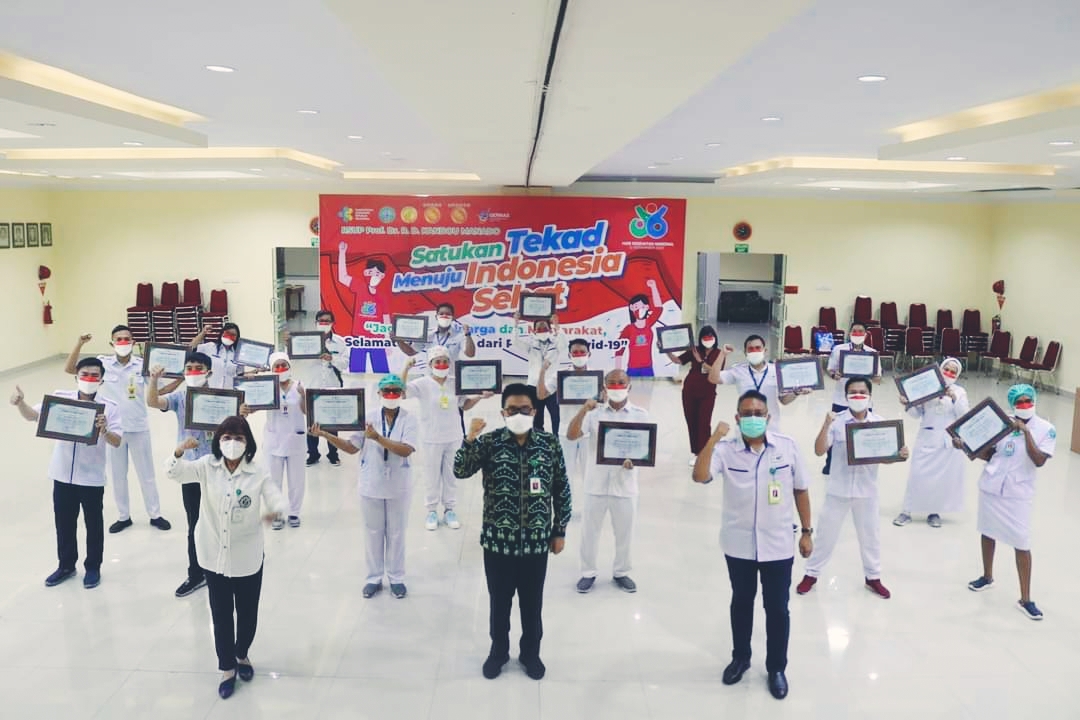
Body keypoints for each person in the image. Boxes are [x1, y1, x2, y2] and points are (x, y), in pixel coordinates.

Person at [692, 389, 813, 701]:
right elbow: (700, 476)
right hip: (739, 545)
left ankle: (776, 668)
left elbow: (801, 489)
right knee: (742, 603)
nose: (753, 418)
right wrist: (712, 438)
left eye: (759, 413)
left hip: (778, 544)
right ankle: (741, 658)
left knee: (778, 608)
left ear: (768, 417)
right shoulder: (725, 449)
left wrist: (807, 532)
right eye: (747, 414)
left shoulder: (787, 447)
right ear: (737, 418)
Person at [453, 383, 572, 681]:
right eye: (512, 409)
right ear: (503, 412)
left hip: (536, 544)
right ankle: (499, 652)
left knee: (532, 604)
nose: (519, 414)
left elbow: (561, 488)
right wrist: (469, 439)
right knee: (499, 603)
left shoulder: (549, 444)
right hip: (498, 544)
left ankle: (531, 653)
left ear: (534, 411)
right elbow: (460, 470)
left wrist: (559, 530)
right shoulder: (490, 442)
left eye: (525, 409)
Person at [165, 415, 286, 699]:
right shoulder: (207, 466)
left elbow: (275, 497)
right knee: (220, 615)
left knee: (247, 613)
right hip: (213, 555)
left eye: (239, 438)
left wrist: (276, 511)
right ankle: (227, 667)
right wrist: (178, 452)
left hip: (247, 557)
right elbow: (175, 473)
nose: (232, 443)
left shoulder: (258, 472)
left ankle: (242, 653)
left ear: (248, 443)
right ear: (218, 441)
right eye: (227, 438)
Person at [11, 357, 123, 589]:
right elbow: (33, 416)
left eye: (94, 375)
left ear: (102, 380)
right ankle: (66, 565)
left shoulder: (110, 408)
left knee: (93, 524)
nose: (89, 379)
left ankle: (93, 567)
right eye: (84, 375)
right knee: (64, 523)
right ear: (76, 377)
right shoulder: (61, 399)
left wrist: (104, 430)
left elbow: (117, 442)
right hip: (62, 475)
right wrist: (21, 403)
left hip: (91, 478)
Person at [796, 377, 907, 599]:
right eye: (853, 392)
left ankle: (873, 577)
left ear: (870, 396)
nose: (858, 396)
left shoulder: (879, 423)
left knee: (870, 536)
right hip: (838, 490)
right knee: (826, 534)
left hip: (867, 491)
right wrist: (825, 425)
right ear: (846, 397)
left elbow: (885, 457)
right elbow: (819, 450)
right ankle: (811, 574)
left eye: (862, 392)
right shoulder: (837, 422)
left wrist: (899, 455)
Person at [311, 374, 417, 599]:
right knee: (372, 533)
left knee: (397, 533)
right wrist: (325, 434)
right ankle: (373, 578)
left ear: (402, 393)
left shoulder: (409, 419)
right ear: (379, 393)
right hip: (372, 483)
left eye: (395, 391)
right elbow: (351, 447)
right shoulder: (367, 417)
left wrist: (377, 438)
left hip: (398, 485)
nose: (391, 395)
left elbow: (406, 450)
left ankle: (396, 578)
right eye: (387, 391)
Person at [64, 328, 171, 533]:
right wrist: (79, 343)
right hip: (112, 430)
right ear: (112, 343)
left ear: (133, 342)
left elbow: (161, 390)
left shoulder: (143, 365)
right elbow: (70, 369)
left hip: (138, 428)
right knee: (117, 475)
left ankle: (155, 514)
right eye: (118, 339)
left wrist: (180, 377)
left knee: (146, 474)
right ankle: (124, 516)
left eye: (126, 339)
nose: (123, 342)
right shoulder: (102, 364)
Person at [963, 384, 1054, 621]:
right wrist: (965, 446)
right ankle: (987, 576)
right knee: (987, 531)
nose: (1024, 405)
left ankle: (1026, 599)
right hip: (992, 486)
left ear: (1034, 401)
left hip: (1018, 493)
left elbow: (1039, 460)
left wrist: (1026, 432)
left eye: (1027, 400)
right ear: (1012, 404)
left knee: (1021, 542)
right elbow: (989, 454)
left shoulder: (1046, 429)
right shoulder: (1000, 422)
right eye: (1019, 402)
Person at [567, 369, 649, 594]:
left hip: (625, 484)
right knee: (589, 532)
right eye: (611, 383)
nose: (616, 387)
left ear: (629, 386)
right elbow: (572, 435)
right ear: (604, 387)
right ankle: (588, 572)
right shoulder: (593, 414)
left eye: (621, 382)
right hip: (596, 483)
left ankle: (621, 571)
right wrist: (583, 410)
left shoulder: (641, 415)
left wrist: (636, 461)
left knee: (625, 532)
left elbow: (645, 448)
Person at [147, 351, 217, 598]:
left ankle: (226, 563)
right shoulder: (180, 397)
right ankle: (196, 574)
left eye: (199, 368)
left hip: (217, 468)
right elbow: (153, 402)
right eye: (189, 368)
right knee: (195, 522)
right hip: (190, 469)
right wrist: (154, 380)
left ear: (209, 372)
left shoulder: (223, 398)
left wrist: (241, 412)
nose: (193, 372)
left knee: (223, 519)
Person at [402, 346, 488, 531]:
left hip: (453, 436)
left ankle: (449, 509)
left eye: (445, 361)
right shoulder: (422, 383)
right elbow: (402, 393)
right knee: (431, 476)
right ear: (430, 364)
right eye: (437, 361)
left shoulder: (456, 382)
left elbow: (464, 405)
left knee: (451, 475)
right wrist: (406, 369)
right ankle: (431, 511)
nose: (441, 365)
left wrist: (480, 397)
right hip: (431, 437)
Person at [893, 358, 969, 528]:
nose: (948, 373)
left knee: (940, 480)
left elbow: (964, 415)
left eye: (953, 372)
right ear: (939, 370)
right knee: (917, 475)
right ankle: (906, 511)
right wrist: (908, 404)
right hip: (927, 438)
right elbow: (916, 414)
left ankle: (934, 512)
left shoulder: (960, 392)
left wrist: (954, 398)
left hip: (946, 443)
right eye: (946, 369)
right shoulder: (928, 387)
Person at [245, 353, 307, 529]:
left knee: (297, 480)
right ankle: (277, 513)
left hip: (295, 440)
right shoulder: (267, 387)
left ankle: (294, 512)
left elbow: (306, 411)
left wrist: (303, 396)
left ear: (289, 367)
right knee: (273, 481)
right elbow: (253, 408)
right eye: (276, 366)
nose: (281, 369)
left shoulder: (299, 386)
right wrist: (250, 390)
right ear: (272, 369)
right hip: (274, 440)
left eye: (284, 365)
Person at [711, 334, 810, 435]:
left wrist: (796, 392)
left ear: (764, 351)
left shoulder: (776, 371)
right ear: (745, 353)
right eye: (750, 349)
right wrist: (722, 354)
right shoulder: (738, 371)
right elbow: (713, 378)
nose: (754, 351)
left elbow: (784, 400)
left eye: (758, 348)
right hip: (746, 428)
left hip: (771, 428)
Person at [822, 323, 881, 474]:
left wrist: (872, 375)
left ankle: (861, 463)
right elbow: (830, 370)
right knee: (835, 433)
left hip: (863, 401)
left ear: (866, 334)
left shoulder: (872, 353)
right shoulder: (839, 350)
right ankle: (830, 464)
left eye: (861, 331)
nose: (857, 334)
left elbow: (878, 378)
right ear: (849, 333)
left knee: (863, 434)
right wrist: (835, 375)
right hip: (841, 400)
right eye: (854, 331)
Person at [295, 310, 349, 467]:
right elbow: (294, 359)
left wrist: (332, 358)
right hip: (313, 386)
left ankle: (333, 454)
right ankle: (313, 454)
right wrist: (290, 345)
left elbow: (345, 364)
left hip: (332, 387)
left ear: (333, 323)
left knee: (333, 423)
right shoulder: (305, 340)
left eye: (327, 321)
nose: (324, 323)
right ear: (316, 323)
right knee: (312, 423)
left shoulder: (340, 342)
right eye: (321, 321)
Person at [538, 338, 594, 491]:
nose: (579, 355)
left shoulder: (596, 377)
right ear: (569, 355)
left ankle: (589, 503)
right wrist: (542, 372)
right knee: (565, 474)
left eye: (582, 352)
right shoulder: (560, 376)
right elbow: (541, 395)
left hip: (589, 432)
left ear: (589, 354)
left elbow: (604, 404)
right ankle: (565, 504)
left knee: (590, 474)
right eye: (575, 352)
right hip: (565, 431)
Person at [668, 325, 723, 466]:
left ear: (715, 338)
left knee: (704, 423)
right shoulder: (695, 350)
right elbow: (678, 361)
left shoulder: (719, 354)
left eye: (710, 337)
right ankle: (696, 452)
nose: (708, 340)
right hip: (690, 391)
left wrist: (700, 361)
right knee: (692, 422)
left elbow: (716, 372)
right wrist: (666, 350)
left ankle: (704, 453)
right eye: (705, 337)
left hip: (707, 392)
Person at [338, 243, 391, 374]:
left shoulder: (382, 296)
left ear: (382, 276)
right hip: (359, 338)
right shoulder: (360, 286)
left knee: (381, 372)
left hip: (377, 340)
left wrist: (387, 340)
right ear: (366, 273)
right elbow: (342, 277)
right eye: (371, 272)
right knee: (356, 372)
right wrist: (342, 253)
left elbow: (386, 318)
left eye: (377, 273)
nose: (374, 276)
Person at [512, 312, 567, 434]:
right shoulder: (531, 344)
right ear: (534, 331)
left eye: (545, 328)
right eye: (539, 328)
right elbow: (515, 342)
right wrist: (516, 324)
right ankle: (539, 442)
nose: (542, 330)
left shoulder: (556, 343)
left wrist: (557, 325)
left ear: (550, 330)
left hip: (552, 386)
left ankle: (556, 441)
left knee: (556, 418)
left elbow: (564, 344)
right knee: (537, 418)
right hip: (534, 386)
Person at [395, 302, 477, 366]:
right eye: (441, 314)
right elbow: (411, 352)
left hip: (452, 377)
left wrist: (468, 334)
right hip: (432, 378)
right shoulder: (427, 334)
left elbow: (470, 354)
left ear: (453, 317)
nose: (444, 316)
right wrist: (398, 340)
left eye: (448, 314)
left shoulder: (459, 335)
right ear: (436, 317)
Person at [615, 278, 662, 377]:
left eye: (643, 307)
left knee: (649, 387)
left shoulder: (649, 322)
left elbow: (659, 308)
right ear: (632, 308)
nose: (640, 310)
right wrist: (617, 372)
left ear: (647, 307)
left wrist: (653, 287)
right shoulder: (628, 328)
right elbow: (619, 350)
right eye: (637, 307)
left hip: (648, 368)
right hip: (632, 369)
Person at [191, 322, 245, 389]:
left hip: (229, 392)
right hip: (210, 390)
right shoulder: (210, 347)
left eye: (233, 335)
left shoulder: (238, 355)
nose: (229, 336)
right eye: (227, 333)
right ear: (222, 333)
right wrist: (203, 332)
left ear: (237, 338)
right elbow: (192, 347)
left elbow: (240, 375)